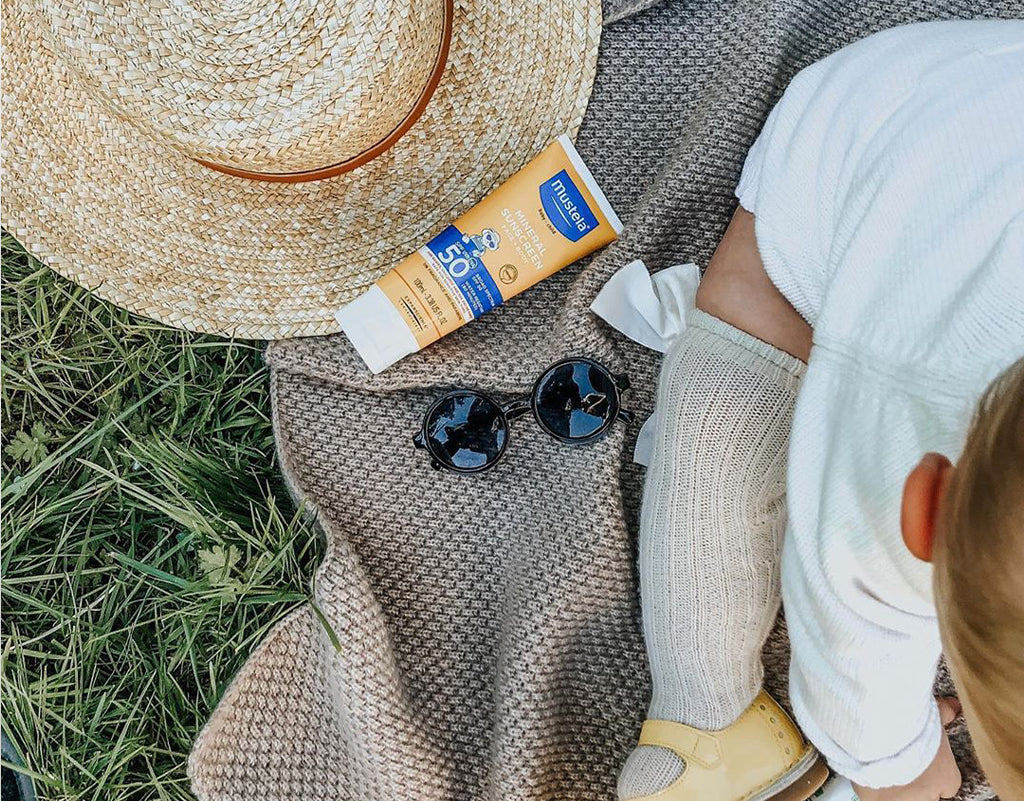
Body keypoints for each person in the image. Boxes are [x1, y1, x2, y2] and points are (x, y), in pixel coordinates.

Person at [616, 19, 1024, 801]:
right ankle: (704, 722)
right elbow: (848, 646)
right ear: (926, 508)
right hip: (872, 129)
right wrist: (899, 766)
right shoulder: (885, 444)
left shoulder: (935, 469)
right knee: (748, 310)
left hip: (997, 97)